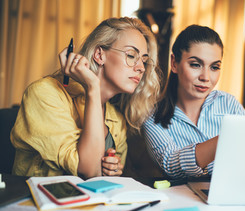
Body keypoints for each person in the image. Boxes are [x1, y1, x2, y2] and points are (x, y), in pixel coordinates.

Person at [11, 17, 160, 179]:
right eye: (131, 55)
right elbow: (88, 171)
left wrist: (113, 170)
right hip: (43, 201)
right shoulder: (44, 93)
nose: (141, 68)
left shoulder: (116, 119)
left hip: (93, 202)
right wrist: (92, 87)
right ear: (99, 54)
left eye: (144, 61)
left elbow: (104, 181)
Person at [142, 25, 245, 179]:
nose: (206, 77)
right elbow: (171, 164)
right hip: (182, 199)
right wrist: (228, 138)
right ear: (174, 63)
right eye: (195, 65)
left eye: (214, 67)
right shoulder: (152, 116)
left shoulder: (228, 103)